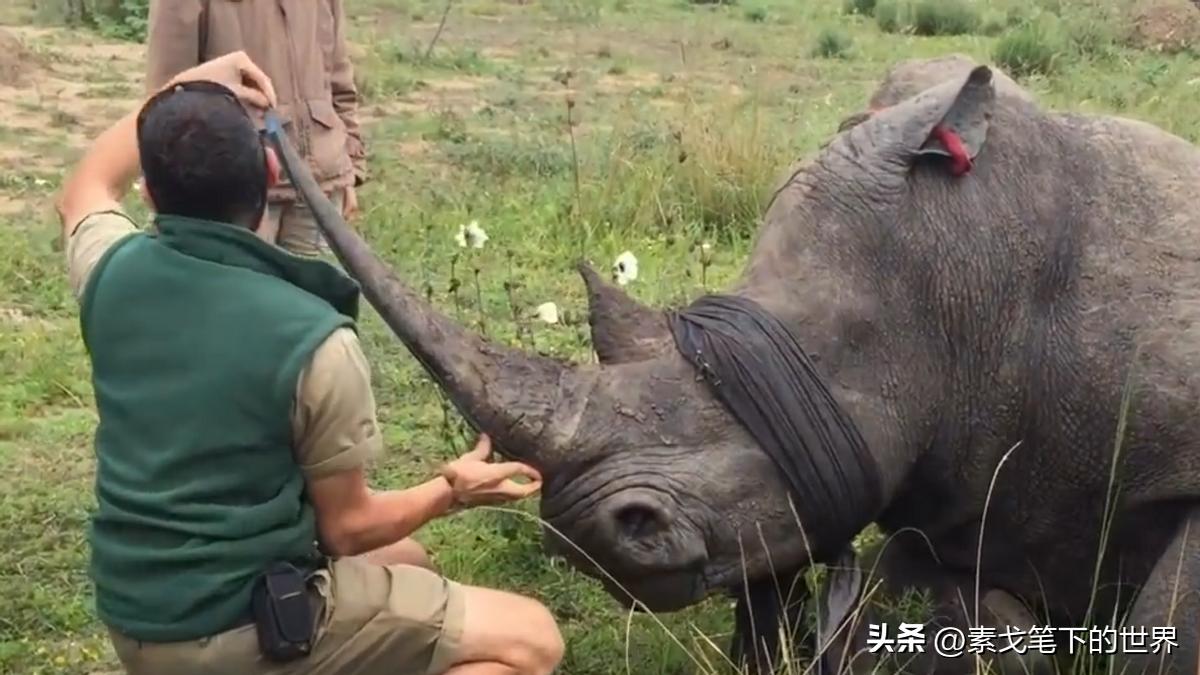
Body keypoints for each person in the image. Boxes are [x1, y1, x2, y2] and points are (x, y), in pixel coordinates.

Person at [56, 51, 564, 675]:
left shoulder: (110, 270)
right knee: (532, 639)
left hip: (139, 613)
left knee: (409, 561)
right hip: (232, 624)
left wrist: (188, 86)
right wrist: (452, 491)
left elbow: (84, 186)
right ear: (272, 172)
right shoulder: (313, 338)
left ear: (150, 192)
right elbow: (346, 529)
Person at [144, 0, 365, 257]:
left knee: (308, 295)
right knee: (238, 292)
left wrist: (348, 166)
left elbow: (338, 78)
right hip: (236, 189)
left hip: (318, 187)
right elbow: (169, 97)